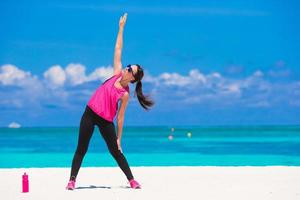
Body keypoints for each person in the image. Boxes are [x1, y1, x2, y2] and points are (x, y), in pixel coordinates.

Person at [66, 13, 154, 190]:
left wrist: (119, 139)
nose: (127, 67)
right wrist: (121, 28)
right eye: (129, 65)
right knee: (81, 148)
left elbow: (120, 118)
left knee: (116, 151)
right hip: (90, 113)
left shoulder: (125, 94)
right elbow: (118, 49)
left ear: (132, 78)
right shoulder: (115, 74)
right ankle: (72, 181)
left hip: (106, 120)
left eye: (130, 69)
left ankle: (131, 180)